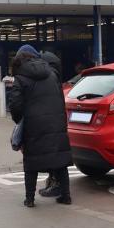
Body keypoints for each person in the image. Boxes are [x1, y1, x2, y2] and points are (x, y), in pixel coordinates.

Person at [7, 44, 72, 208]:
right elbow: (60, 98)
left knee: (31, 163)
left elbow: (15, 105)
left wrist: (19, 120)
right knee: (60, 160)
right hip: (56, 123)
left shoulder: (21, 78)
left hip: (33, 125)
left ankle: (29, 199)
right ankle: (66, 196)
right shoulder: (52, 73)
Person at [37, 50, 68, 198]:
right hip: (59, 122)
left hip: (52, 123)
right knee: (59, 156)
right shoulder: (56, 79)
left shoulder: (49, 79)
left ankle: (56, 186)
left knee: (54, 156)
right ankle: (60, 189)